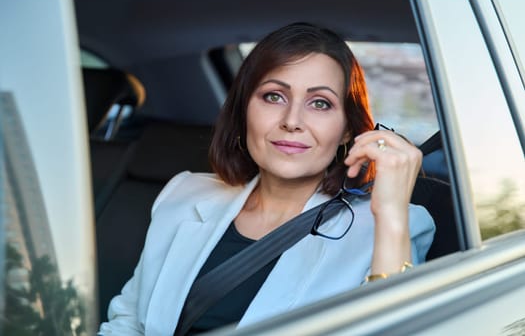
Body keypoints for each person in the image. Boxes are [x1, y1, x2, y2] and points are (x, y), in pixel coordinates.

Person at [98, 22, 435, 335]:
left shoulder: (394, 226)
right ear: (244, 109)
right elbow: (128, 325)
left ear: (347, 127)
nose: (292, 120)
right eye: (274, 96)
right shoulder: (183, 194)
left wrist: (391, 215)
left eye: (320, 103)